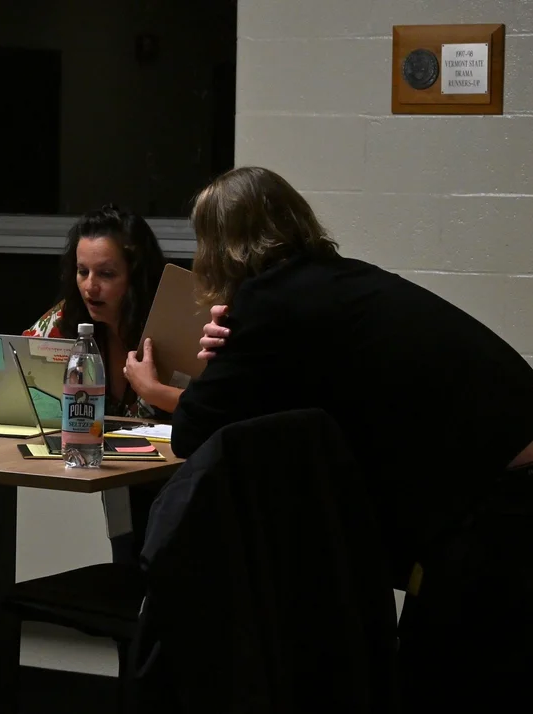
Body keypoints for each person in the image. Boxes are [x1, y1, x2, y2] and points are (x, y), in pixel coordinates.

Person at [172, 165, 533, 712]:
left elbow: (192, 430)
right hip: (507, 475)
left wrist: (194, 366)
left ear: (221, 248)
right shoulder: (340, 281)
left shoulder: (271, 302)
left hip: (501, 501)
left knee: (432, 678)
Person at [24, 204, 180, 417]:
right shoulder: (68, 316)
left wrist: (155, 391)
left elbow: (211, 407)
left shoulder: (173, 326)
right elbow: (17, 373)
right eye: (82, 272)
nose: (90, 286)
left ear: (136, 277)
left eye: (106, 274)